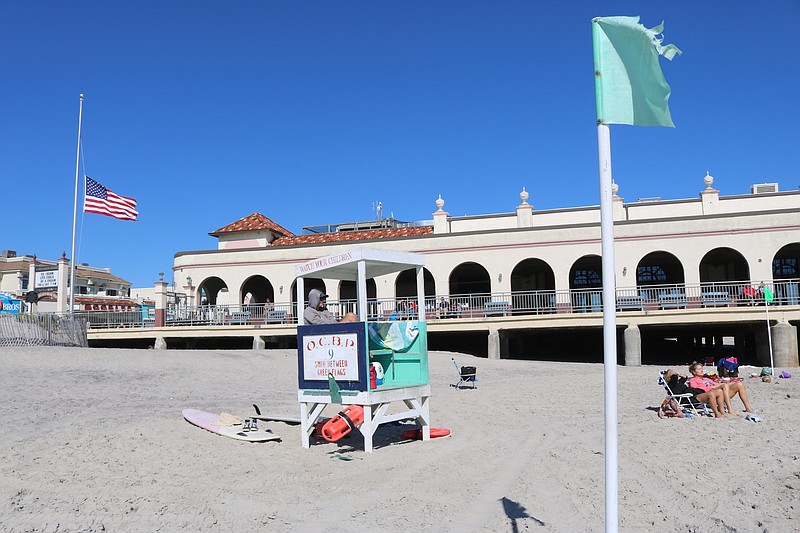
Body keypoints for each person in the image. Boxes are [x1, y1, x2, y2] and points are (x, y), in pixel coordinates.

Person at [687, 361, 754, 415]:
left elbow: (717, 384)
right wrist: (712, 387)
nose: (702, 371)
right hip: (710, 396)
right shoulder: (693, 380)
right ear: (693, 372)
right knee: (724, 385)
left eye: (702, 369)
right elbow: (695, 390)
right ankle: (730, 408)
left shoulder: (706, 379)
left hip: (720, 393)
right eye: (699, 369)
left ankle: (748, 408)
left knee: (739, 384)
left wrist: (717, 386)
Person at [663, 368, 728, 418]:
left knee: (719, 392)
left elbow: (685, 377)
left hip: (693, 395)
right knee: (710, 394)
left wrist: (679, 374)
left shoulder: (678, 383)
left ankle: (723, 412)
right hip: (687, 398)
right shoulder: (671, 385)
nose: (675, 373)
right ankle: (717, 414)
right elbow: (674, 378)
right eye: (672, 373)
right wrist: (674, 374)